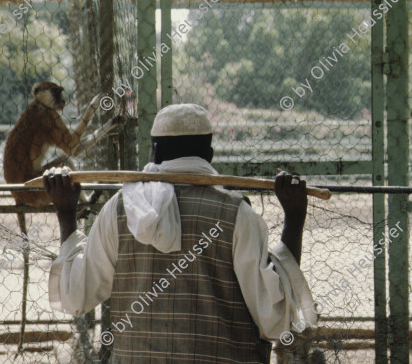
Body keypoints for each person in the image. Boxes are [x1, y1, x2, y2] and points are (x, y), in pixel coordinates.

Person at [44, 104, 317, 363]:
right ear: (208, 155)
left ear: (154, 152)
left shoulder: (120, 209)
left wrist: (66, 213)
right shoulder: (236, 214)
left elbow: (75, 296)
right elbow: (275, 318)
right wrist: (294, 217)